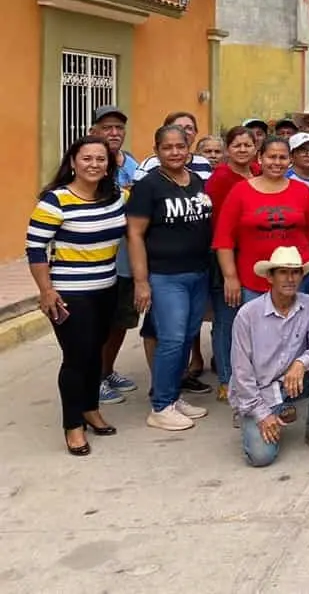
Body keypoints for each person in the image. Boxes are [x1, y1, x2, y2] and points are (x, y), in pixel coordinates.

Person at [26, 136, 126, 456]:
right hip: (69, 292)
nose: (93, 164)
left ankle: (90, 409)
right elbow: (36, 250)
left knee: (96, 352)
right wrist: (46, 291)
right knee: (76, 357)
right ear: (73, 162)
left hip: (106, 289)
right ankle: (73, 425)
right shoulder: (54, 201)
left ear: (109, 165)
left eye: (100, 159)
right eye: (86, 158)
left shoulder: (116, 197)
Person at [213, 136, 309, 405]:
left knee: (293, 341)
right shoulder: (240, 192)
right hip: (253, 280)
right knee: (257, 344)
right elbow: (224, 239)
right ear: (259, 159)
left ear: (289, 160)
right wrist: (230, 277)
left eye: (282, 157)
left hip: (295, 278)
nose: (277, 162)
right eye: (271, 157)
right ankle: (252, 398)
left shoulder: (300, 192)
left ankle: (285, 394)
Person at [126, 124, 214, 431]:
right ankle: (161, 406)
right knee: (172, 339)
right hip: (166, 276)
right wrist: (141, 281)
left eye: (180, 146)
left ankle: (173, 396)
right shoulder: (148, 186)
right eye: (168, 148)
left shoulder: (197, 180)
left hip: (198, 272)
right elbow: (135, 235)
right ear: (157, 150)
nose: (175, 152)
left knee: (187, 337)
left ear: (188, 147)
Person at [230, 246, 309, 466]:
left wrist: (302, 362)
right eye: (283, 272)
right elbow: (242, 374)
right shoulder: (248, 315)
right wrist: (263, 415)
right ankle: (262, 414)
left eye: (296, 272)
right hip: (259, 391)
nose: (290, 279)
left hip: (292, 383)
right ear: (270, 277)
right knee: (261, 457)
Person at [205, 125, 260, 400]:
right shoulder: (221, 179)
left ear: (255, 148)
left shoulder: (259, 173)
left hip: (255, 255)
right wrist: (228, 272)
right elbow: (217, 227)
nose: (242, 150)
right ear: (228, 150)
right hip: (227, 256)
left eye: (247, 145)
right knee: (227, 319)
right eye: (236, 145)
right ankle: (226, 378)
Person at [90, 105, 140, 405]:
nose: (114, 133)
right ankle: (92, 378)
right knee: (98, 325)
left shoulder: (132, 163)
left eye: (119, 127)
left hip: (128, 260)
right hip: (98, 262)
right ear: (95, 131)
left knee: (121, 321)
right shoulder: (89, 162)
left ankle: (107, 371)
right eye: (107, 127)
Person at [133, 111, 213, 182]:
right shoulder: (150, 164)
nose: (184, 132)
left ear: (195, 133)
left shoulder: (203, 163)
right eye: (178, 127)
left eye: (189, 128)